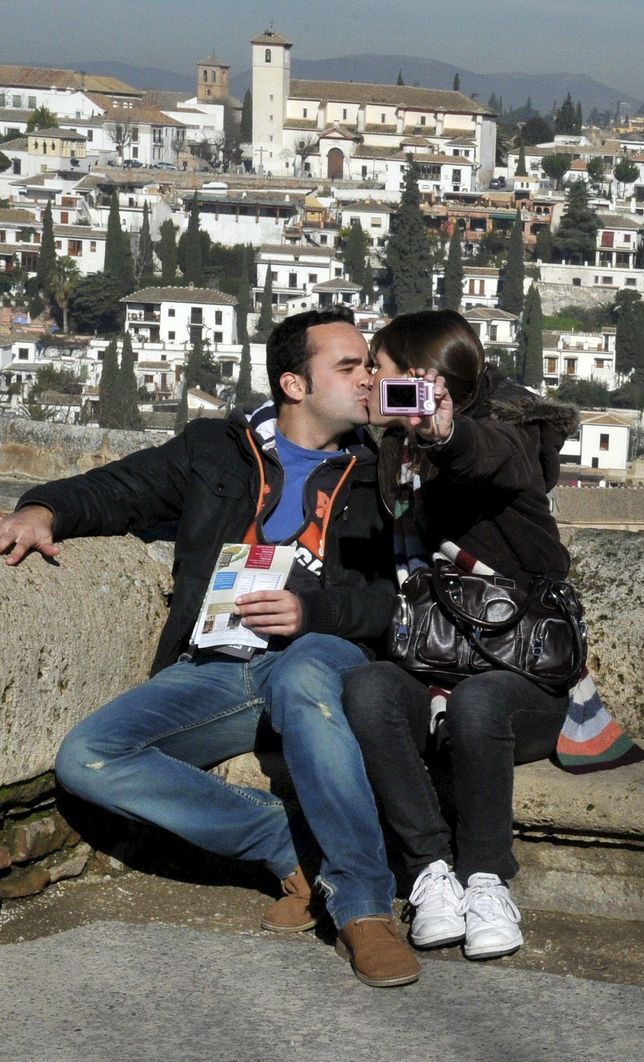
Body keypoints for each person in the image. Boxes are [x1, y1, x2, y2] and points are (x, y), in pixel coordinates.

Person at [0, 308, 419, 988]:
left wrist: (311, 611)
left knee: (303, 680)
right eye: (349, 366)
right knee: (87, 758)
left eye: (370, 364)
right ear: (294, 383)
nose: (369, 378)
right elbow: (119, 489)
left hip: (318, 654)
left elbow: (400, 600)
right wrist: (42, 510)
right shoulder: (214, 448)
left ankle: (364, 906)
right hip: (215, 665)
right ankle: (287, 843)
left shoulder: (386, 472)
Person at [343, 310, 636, 962]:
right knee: (366, 689)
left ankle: (485, 879)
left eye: (381, 370)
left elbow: (492, 459)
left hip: (526, 677)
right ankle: (430, 873)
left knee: (480, 703)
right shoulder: (395, 451)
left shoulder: (512, 434)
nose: (369, 380)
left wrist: (447, 433)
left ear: (433, 381)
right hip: (433, 660)